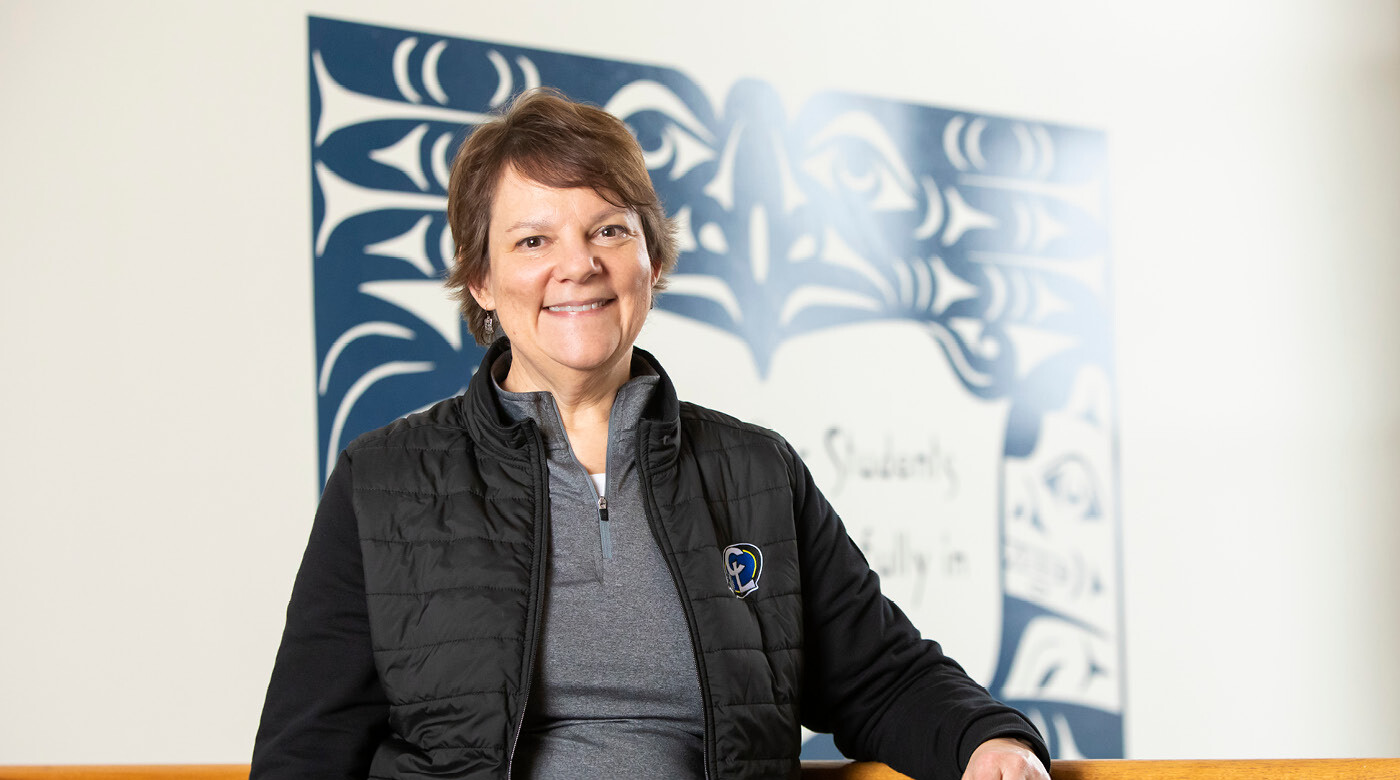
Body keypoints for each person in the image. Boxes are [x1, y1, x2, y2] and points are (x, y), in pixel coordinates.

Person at [252, 88, 1052, 780]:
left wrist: (988, 743)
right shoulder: (382, 483)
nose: (579, 265)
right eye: (534, 241)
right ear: (482, 280)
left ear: (651, 258)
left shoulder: (756, 473)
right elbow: (307, 751)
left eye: (609, 230)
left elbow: (880, 676)